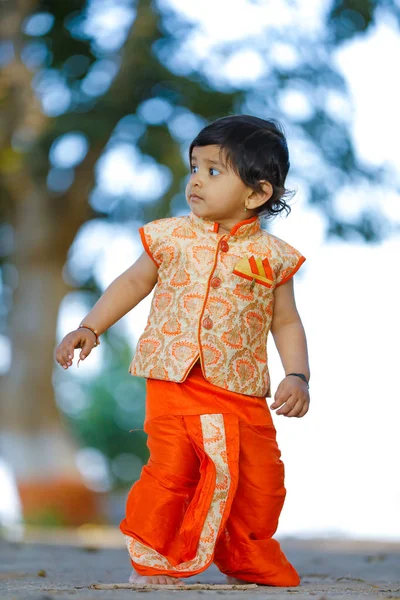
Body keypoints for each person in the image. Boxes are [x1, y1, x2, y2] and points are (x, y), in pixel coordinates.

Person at [55, 114, 310, 587]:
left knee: (261, 480)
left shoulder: (275, 258)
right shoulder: (169, 236)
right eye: (194, 167)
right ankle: (155, 559)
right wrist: (89, 327)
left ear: (257, 193)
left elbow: (286, 320)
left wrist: (297, 375)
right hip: (175, 378)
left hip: (241, 387)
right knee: (173, 471)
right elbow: (132, 282)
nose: (196, 179)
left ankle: (249, 559)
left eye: (214, 171)